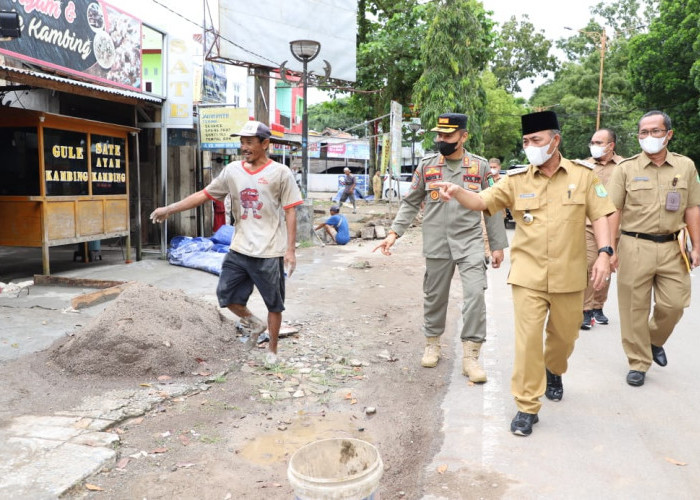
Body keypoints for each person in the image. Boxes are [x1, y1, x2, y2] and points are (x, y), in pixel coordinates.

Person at [433, 111, 615, 437]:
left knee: (565, 338)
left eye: (537, 140)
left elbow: (602, 215)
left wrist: (605, 252)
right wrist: (457, 191)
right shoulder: (516, 181)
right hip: (528, 276)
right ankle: (527, 406)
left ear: (555, 140)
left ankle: (554, 369)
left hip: (571, 277)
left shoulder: (584, 176)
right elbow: (481, 200)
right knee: (528, 342)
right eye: (526, 141)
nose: (530, 146)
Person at [149, 120, 303, 365]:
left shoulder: (280, 173)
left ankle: (272, 351)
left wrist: (290, 250)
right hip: (239, 247)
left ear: (265, 144)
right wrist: (170, 209)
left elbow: (291, 211)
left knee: (274, 303)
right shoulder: (232, 171)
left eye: (250, 142)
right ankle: (254, 324)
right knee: (226, 294)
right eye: (242, 142)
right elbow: (204, 194)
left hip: (269, 250)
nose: (244, 147)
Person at [374, 112, 508, 385]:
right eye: (439, 135)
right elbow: (411, 202)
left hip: (469, 242)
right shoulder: (427, 166)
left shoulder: (480, 168)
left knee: (474, 297)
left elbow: (492, 206)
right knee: (434, 297)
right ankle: (432, 343)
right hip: (436, 242)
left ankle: (471, 355)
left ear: (463, 136)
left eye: (447, 136)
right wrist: (393, 234)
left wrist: (497, 245)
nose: (441, 140)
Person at [608, 110, 700, 387]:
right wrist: (609, 249)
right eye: (643, 133)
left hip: (674, 246)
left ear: (669, 134)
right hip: (635, 244)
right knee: (633, 308)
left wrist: (697, 246)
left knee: (674, 304)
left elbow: (693, 207)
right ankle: (638, 362)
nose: (649, 137)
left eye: (655, 131)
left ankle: (653, 341)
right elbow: (614, 210)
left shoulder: (686, 167)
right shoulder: (626, 169)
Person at [580, 128, 624, 330]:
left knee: (608, 267)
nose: (594, 146)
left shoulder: (624, 166)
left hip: (616, 226)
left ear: (611, 145)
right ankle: (586, 309)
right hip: (590, 225)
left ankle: (598, 306)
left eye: (599, 142)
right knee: (590, 264)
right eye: (593, 142)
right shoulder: (585, 166)